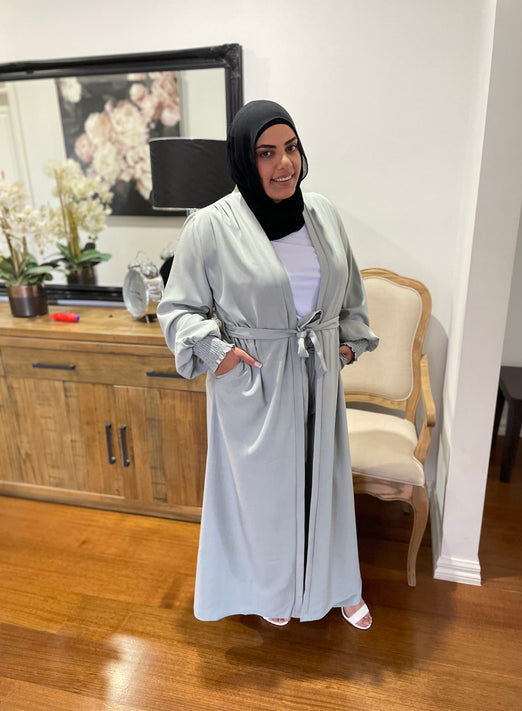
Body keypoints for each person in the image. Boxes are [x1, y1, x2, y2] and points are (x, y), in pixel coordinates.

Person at [157, 100, 379, 629]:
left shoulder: (322, 214)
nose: (285, 164)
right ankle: (273, 591)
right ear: (243, 159)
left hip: (319, 377)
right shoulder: (211, 226)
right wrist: (220, 354)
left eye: (291, 148)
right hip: (255, 381)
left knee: (323, 484)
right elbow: (179, 309)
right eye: (266, 153)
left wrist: (346, 346)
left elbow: (350, 292)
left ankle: (335, 585)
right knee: (265, 499)